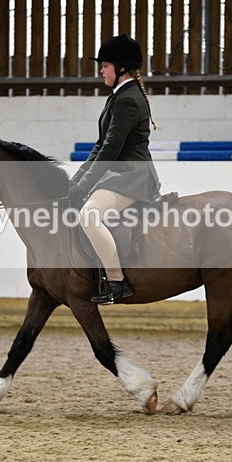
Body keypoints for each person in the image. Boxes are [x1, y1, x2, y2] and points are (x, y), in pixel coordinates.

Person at [68, 34, 161, 304]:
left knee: (89, 215)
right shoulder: (119, 96)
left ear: (121, 68)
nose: (101, 70)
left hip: (132, 176)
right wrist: (77, 181)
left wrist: (84, 187)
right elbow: (101, 145)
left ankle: (117, 281)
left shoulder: (127, 100)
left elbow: (111, 150)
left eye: (105, 65)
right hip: (119, 175)